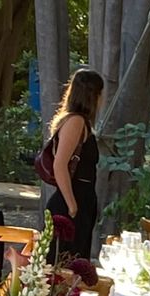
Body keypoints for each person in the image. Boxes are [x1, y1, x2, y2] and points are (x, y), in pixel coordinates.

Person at [44, 67, 103, 260]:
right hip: (72, 201)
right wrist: (72, 206)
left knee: (76, 261)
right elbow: (60, 165)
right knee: (64, 264)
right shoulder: (76, 122)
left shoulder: (83, 123)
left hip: (84, 200)